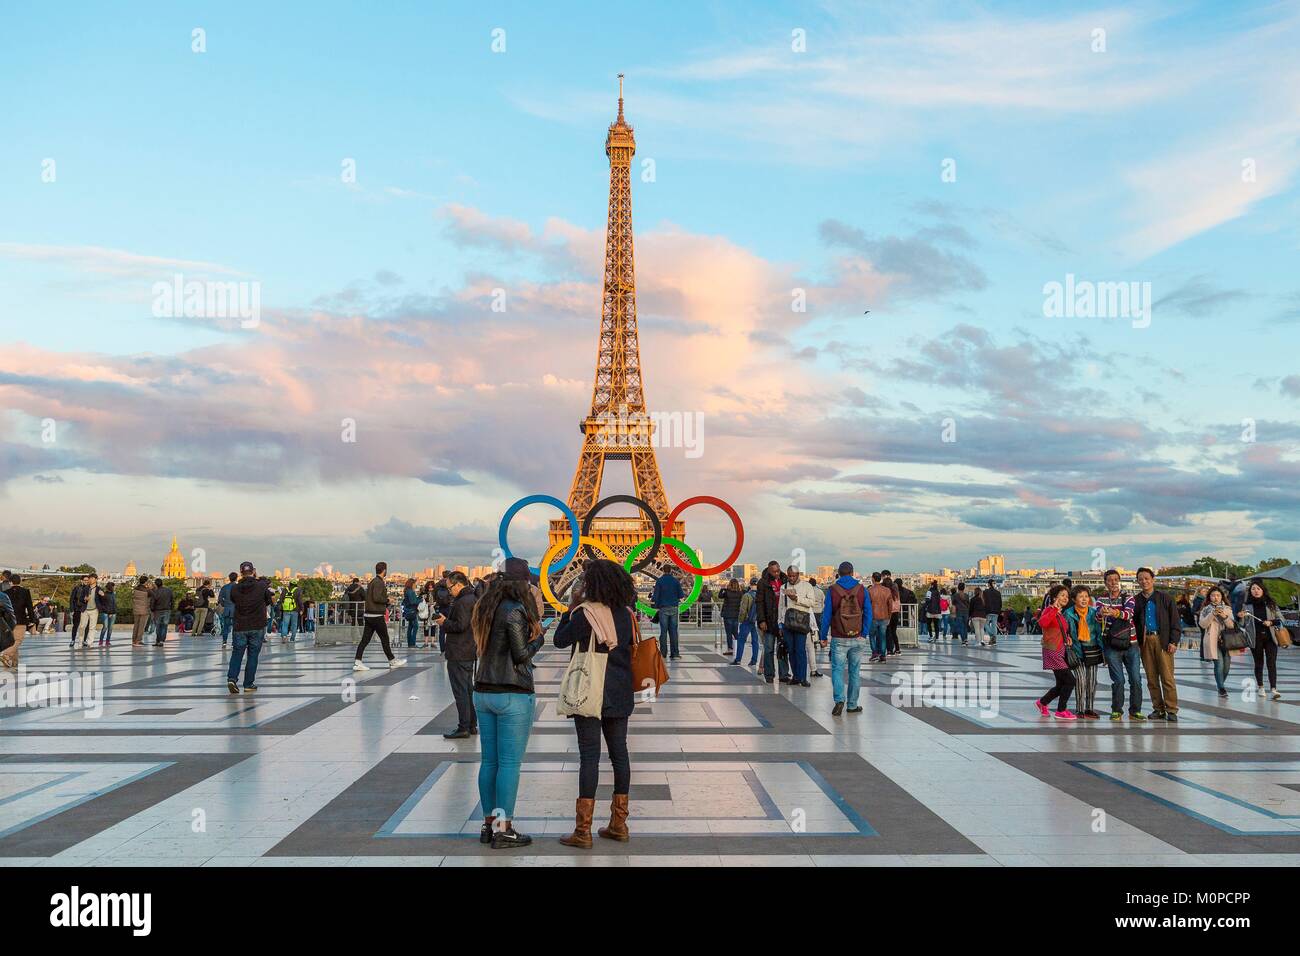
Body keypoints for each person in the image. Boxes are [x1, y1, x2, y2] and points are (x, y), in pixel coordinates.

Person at [554, 559, 637, 848]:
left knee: (589, 757)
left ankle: (583, 831)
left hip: (590, 689)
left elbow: (559, 641)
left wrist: (570, 607)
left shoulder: (585, 614)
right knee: (620, 756)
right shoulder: (627, 614)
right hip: (621, 691)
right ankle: (619, 824)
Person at [471, 572, 545, 849]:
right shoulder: (515, 610)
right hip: (511, 693)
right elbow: (521, 655)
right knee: (510, 764)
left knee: (489, 762)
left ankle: (488, 825)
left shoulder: (484, 609)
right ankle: (505, 828)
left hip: (483, 691)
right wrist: (540, 637)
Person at [820, 562, 869, 716]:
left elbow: (826, 615)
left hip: (839, 637)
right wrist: (864, 633)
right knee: (854, 671)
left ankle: (839, 700)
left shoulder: (833, 589)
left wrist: (823, 636)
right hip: (857, 636)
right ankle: (852, 704)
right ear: (853, 573)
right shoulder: (862, 589)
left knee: (837, 669)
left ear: (839, 573)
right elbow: (868, 612)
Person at [1095, 569, 1142, 719]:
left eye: (1116, 580)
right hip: (1112, 644)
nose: (1113, 583)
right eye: (1110, 580)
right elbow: (1097, 617)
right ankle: (1117, 710)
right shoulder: (1101, 599)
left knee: (1135, 678)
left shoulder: (1128, 597)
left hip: (1131, 643)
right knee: (1118, 680)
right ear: (1105, 583)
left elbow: (1128, 615)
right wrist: (1102, 613)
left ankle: (1135, 711)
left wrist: (1114, 613)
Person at [1134, 567, 1180, 721]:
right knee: (1151, 678)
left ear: (1153, 580)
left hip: (1163, 640)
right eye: (1140, 579)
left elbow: (1175, 621)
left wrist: (1173, 641)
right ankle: (1158, 709)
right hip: (1145, 641)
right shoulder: (1136, 600)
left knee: (1167, 677)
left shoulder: (1165, 598)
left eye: (1147, 578)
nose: (1144, 581)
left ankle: (1171, 710)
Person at [439, 571, 479, 739]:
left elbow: (460, 625)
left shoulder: (463, 601)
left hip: (459, 650)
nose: (449, 591)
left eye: (450, 588)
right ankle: (471, 724)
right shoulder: (473, 598)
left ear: (458, 584)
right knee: (467, 689)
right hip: (469, 649)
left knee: (460, 690)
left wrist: (444, 622)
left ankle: (463, 726)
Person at [226, 562, 273, 694]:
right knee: (252, 656)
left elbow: (234, 600)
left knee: (237, 654)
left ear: (240, 572)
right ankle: (248, 684)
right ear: (253, 571)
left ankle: (232, 678)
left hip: (240, 625)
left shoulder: (235, 588)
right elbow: (269, 601)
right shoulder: (261, 586)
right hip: (257, 625)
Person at [353, 563, 405, 671]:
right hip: (376, 615)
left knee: (365, 640)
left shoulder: (373, 581)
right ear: (384, 570)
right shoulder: (379, 582)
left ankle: (358, 661)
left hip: (369, 615)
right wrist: (387, 600)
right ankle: (392, 661)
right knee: (384, 638)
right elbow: (377, 598)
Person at [1036, 584, 1076, 719]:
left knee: (1061, 683)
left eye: (1067, 596)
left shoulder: (1060, 613)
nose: (1066, 598)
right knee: (1070, 681)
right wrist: (1054, 609)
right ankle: (1061, 710)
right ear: (1054, 597)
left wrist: (1068, 638)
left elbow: (1060, 630)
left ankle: (1043, 702)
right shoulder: (1049, 609)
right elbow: (1043, 623)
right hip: (1052, 650)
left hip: (1060, 649)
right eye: (1062, 595)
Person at [1241, 579, 1284, 700]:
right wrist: (1241, 617)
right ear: (1250, 591)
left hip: (1271, 638)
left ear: (1263, 590)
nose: (1256, 591)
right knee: (1259, 663)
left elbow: (1281, 619)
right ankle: (1260, 687)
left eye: (1258, 588)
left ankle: (1274, 689)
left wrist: (1271, 622)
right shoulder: (1247, 605)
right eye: (1253, 589)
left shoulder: (1270, 603)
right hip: (1255, 638)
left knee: (1271, 663)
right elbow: (1242, 624)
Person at [1063, 585, 1102, 719]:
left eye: (1086, 596)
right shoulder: (1068, 614)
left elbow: (1098, 633)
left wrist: (1102, 651)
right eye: (1081, 597)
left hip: (1092, 650)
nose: (1084, 599)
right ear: (1074, 599)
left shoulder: (1093, 612)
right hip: (1077, 651)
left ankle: (1089, 708)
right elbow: (1068, 633)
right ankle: (1080, 709)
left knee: (1092, 681)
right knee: (1080, 680)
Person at [1198, 585, 1238, 700]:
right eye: (1213, 595)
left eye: (1218, 595)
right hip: (1213, 640)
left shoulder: (1228, 609)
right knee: (1219, 664)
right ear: (1209, 597)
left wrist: (1224, 616)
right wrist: (1212, 614)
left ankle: (1220, 684)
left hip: (1227, 640)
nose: (1215, 597)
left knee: (1226, 667)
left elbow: (1231, 625)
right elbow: (1202, 624)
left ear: (1222, 597)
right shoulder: (1205, 610)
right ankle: (1221, 688)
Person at [780, 566, 817, 686]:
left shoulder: (807, 586)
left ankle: (802, 677)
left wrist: (797, 598)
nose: (791, 578)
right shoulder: (783, 587)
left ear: (798, 575)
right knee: (791, 650)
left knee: (800, 650)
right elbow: (781, 606)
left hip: (801, 623)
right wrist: (780, 622)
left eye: (793, 576)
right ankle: (796, 676)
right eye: (789, 575)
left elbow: (812, 602)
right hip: (788, 623)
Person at [756, 561, 787, 684]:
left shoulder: (785, 581)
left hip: (782, 621)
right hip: (769, 621)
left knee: (782, 648)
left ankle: (784, 674)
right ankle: (769, 674)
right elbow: (759, 603)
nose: (777, 573)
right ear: (769, 571)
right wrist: (762, 620)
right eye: (774, 571)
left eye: (778, 570)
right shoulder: (763, 583)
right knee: (769, 649)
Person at [0, 574, 35, 669]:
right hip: (21, 620)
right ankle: (6, 655)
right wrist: (32, 620)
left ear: (10, 582)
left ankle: (14, 663)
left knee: (13, 640)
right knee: (18, 640)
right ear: (20, 582)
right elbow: (30, 607)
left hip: (8, 620)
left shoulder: (5, 592)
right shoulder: (25, 592)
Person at [650, 568, 684, 660]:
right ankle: (675, 653)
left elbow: (655, 596)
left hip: (663, 608)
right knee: (673, 632)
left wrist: (656, 605)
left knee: (663, 632)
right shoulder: (675, 581)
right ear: (671, 571)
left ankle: (663, 653)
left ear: (663, 570)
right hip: (674, 608)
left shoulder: (659, 581)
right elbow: (681, 595)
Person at [866, 572, 892, 663]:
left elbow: (867, 605)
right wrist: (889, 616)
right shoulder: (887, 590)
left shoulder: (869, 590)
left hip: (873, 617)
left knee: (872, 636)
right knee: (882, 636)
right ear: (880, 579)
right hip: (884, 616)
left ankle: (874, 653)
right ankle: (883, 655)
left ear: (873, 579)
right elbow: (890, 605)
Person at [732, 577, 759, 666]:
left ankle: (738, 659)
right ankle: (754, 660)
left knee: (741, 640)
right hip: (756, 620)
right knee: (755, 641)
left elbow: (743, 610)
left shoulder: (747, 595)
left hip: (747, 621)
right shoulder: (760, 595)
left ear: (750, 585)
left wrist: (741, 620)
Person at [69, 574, 98, 648]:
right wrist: (72, 609)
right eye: (85, 580)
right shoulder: (76, 588)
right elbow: (72, 599)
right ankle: (73, 639)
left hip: (85, 609)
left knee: (87, 626)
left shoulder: (89, 588)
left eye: (87, 580)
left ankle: (84, 640)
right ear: (81, 581)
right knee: (76, 626)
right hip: (77, 609)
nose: (86, 581)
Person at [719, 578, 743, 656]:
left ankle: (730, 649)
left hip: (727, 615)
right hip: (736, 615)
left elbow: (720, 596)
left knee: (729, 633)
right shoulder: (740, 593)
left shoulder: (726, 592)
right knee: (735, 632)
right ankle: (739, 647)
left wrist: (722, 588)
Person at [131, 575, 153, 646]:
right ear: (146, 582)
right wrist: (150, 588)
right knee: (141, 626)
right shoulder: (147, 591)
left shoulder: (135, 589)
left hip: (136, 609)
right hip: (144, 610)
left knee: (136, 625)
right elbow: (154, 595)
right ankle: (138, 641)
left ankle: (134, 640)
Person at [150, 578, 173, 646]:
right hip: (167, 610)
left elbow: (153, 602)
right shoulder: (169, 590)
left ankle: (158, 640)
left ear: (156, 584)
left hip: (158, 611)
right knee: (164, 626)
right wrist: (171, 608)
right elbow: (172, 600)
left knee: (158, 626)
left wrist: (152, 609)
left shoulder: (155, 592)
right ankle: (162, 641)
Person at [217, 572, 237, 647]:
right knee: (235, 627)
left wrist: (224, 604)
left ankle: (224, 642)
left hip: (227, 609)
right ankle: (233, 642)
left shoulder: (225, 587)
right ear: (236, 578)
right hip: (236, 609)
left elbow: (220, 598)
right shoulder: (237, 587)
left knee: (226, 626)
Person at [401, 577, 421, 649]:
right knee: (415, 626)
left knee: (410, 627)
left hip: (408, 611)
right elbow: (413, 602)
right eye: (415, 584)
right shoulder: (411, 591)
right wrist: (420, 600)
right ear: (412, 584)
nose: (416, 585)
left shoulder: (407, 591)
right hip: (412, 611)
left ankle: (410, 643)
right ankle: (412, 643)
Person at [96, 581, 117, 646]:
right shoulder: (103, 594)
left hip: (113, 613)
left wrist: (112, 612)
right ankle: (101, 641)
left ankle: (108, 641)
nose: (114, 588)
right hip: (105, 613)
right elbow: (102, 604)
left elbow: (113, 604)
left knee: (110, 628)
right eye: (113, 586)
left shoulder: (113, 594)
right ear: (111, 587)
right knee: (105, 627)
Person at [981, 580, 1002, 645]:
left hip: (988, 611)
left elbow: (983, 602)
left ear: (988, 585)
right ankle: (994, 639)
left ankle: (992, 635)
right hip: (996, 611)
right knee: (994, 625)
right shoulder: (998, 592)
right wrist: (999, 610)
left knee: (985, 623)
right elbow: (1000, 603)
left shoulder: (985, 592)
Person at [952, 581, 971, 646]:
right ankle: (965, 639)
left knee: (960, 627)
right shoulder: (966, 595)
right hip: (966, 612)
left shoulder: (955, 595)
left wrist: (953, 613)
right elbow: (968, 605)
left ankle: (963, 640)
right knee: (965, 626)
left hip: (959, 612)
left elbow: (954, 605)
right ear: (964, 588)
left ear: (958, 588)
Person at [968, 584, 986, 649]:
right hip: (983, 616)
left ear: (975, 592)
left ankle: (978, 642)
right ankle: (982, 640)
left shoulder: (973, 599)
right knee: (982, 628)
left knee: (977, 629)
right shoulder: (984, 599)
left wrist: (969, 615)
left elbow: (971, 609)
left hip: (975, 615)